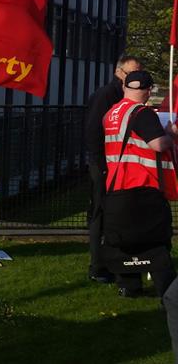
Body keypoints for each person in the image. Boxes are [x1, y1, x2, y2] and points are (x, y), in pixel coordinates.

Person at [100, 69, 176, 298]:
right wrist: (171, 133)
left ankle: (129, 286)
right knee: (156, 241)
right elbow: (158, 145)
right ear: (148, 91)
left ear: (125, 88)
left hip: (116, 185)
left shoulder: (111, 113)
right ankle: (167, 291)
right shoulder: (142, 113)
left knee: (125, 241)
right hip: (143, 185)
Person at [83, 54, 143, 283]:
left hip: (115, 163)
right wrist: (101, 164)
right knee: (100, 213)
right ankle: (98, 266)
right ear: (119, 73)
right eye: (132, 74)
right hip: (105, 165)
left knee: (114, 214)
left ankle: (112, 262)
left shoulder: (121, 95)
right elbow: (93, 132)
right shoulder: (107, 95)